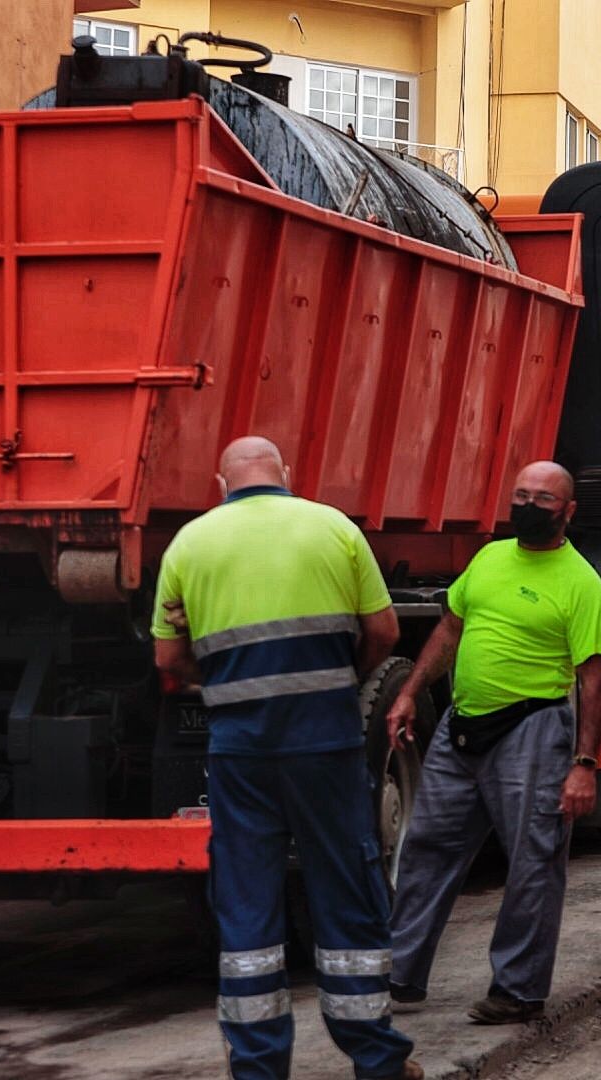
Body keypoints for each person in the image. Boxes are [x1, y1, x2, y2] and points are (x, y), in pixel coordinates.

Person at [151, 437, 419, 1080]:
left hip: (240, 752)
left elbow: (167, 663)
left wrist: (220, 686)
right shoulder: (333, 528)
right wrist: (335, 682)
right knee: (347, 888)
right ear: (287, 476)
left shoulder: (190, 543)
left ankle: (259, 1068)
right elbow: (384, 633)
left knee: (247, 900)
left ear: (222, 483)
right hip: (324, 745)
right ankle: (376, 1059)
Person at [386, 461, 601, 1025]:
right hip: (462, 727)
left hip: (533, 731)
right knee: (426, 850)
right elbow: (450, 629)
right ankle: (399, 976)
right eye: (521, 495)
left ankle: (517, 989)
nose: (529, 506)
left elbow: (593, 681)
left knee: (533, 861)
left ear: (568, 512)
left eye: (543, 499)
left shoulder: (581, 583)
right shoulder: (488, 559)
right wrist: (411, 691)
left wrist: (584, 764)